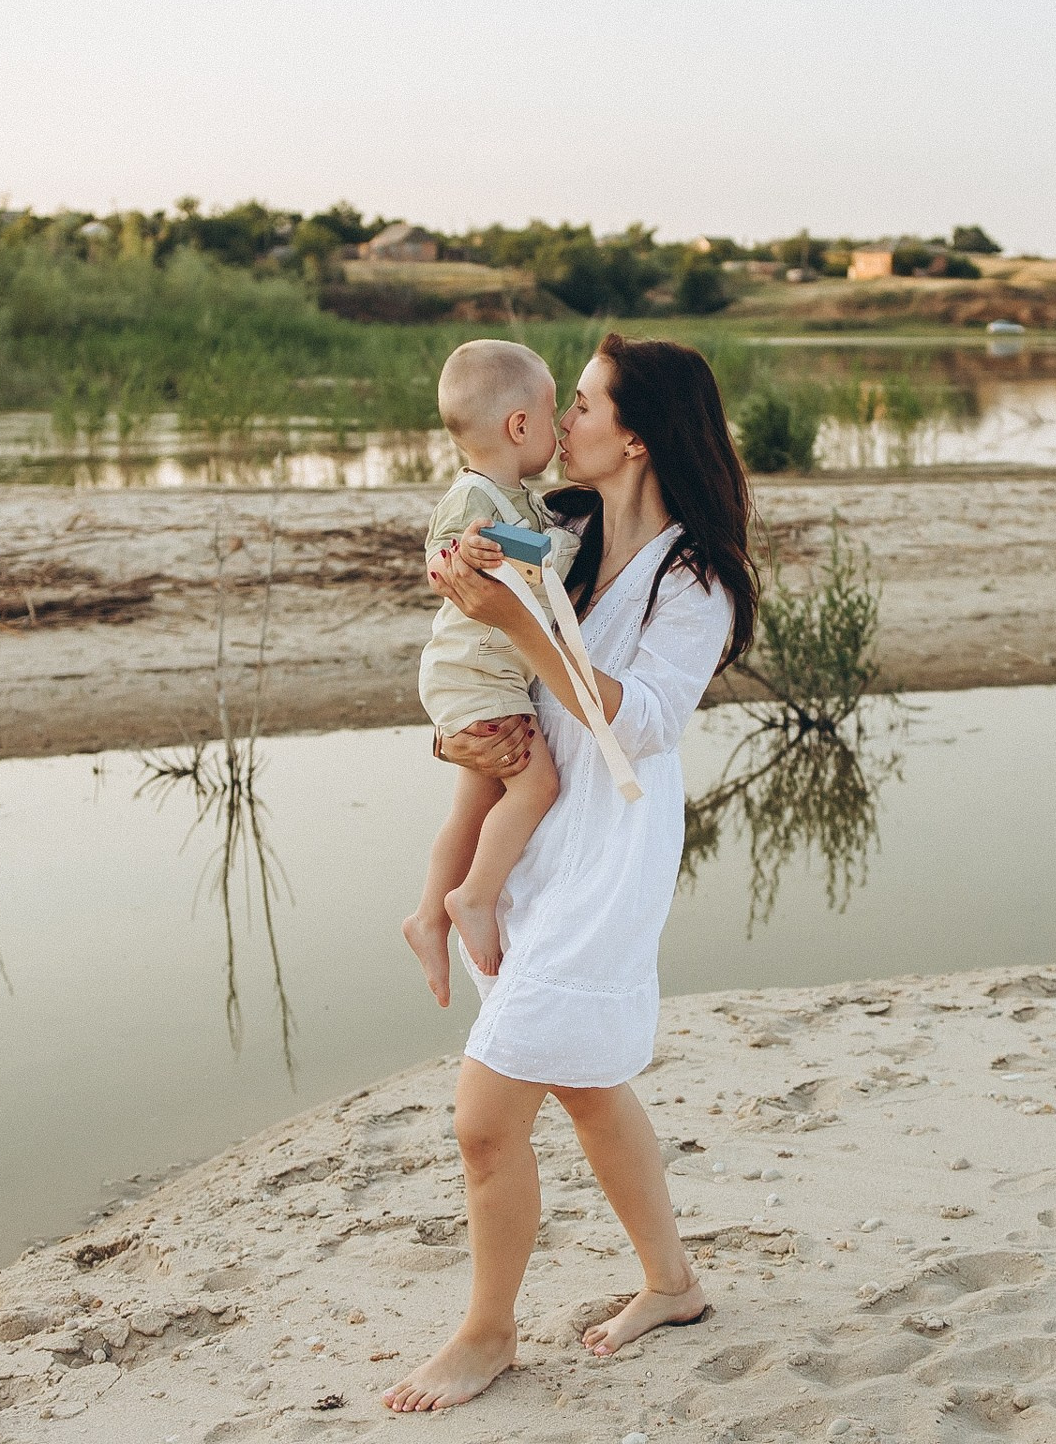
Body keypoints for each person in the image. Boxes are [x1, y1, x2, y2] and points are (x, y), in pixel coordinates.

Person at [381, 333, 759, 1413]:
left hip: (607, 853)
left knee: (484, 1118)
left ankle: (487, 1333)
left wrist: (515, 619)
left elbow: (637, 721)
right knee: (588, 1085)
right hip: (536, 835)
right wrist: (460, 586)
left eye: (584, 403)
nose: (565, 421)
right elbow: (493, 657)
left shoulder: (696, 579)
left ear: (635, 438)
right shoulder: (565, 532)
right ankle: (673, 1283)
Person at [402, 339, 579, 1002]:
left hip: (489, 673)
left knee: (475, 804)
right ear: (519, 425)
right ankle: (473, 897)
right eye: (554, 413)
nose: (560, 427)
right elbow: (441, 556)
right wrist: (462, 554)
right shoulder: (474, 496)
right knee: (537, 787)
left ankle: (427, 917)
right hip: (476, 673)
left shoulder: (520, 498)